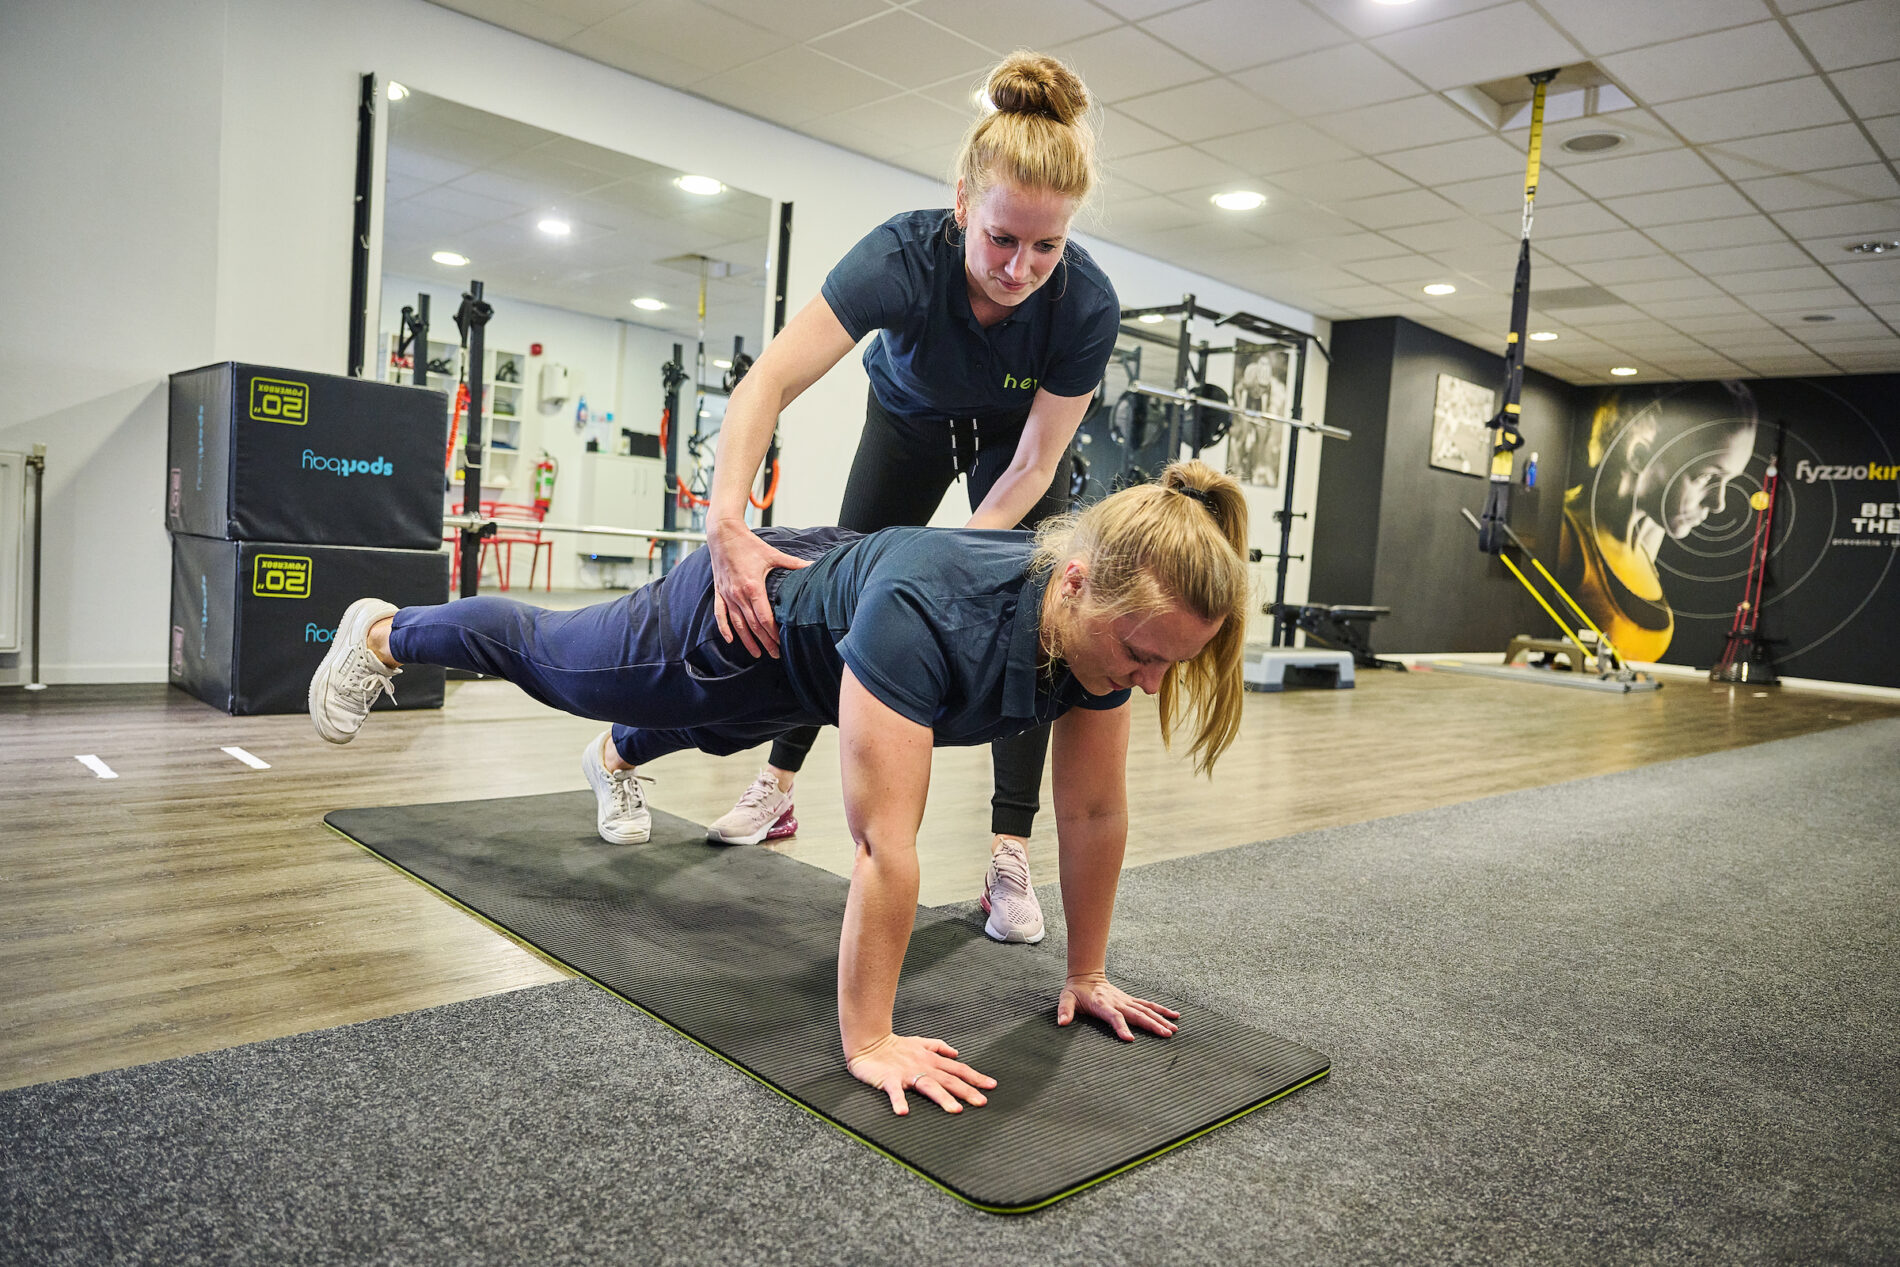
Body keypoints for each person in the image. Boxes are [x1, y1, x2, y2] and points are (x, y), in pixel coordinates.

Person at [309, 462, 1249, 1117]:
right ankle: (386, 631)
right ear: (1075, 584)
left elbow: (1092, 812)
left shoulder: (1101, 641)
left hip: (807, 665)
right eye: (1143, 654)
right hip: (732, 619)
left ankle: (617, 758)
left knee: (717, 725)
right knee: (556, 660)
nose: (1151, 683)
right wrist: (870, 1040)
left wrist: (1087, 975)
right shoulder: (928, 613)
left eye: (1170, 663)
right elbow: (884, 844)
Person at [699, 50, 1121, 949]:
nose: (1020, 267)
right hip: (908, 421)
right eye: (1001, 238)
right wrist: (725, 518)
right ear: (962, 202)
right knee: (835, 596)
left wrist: (955, 563)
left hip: (1014, 445)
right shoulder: (899, 255)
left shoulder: (1085, 305)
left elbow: (1035, 462)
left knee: (1033, 615)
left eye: (1046, 246)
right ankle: (778, 785)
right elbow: (770, 380)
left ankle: (1009, 850)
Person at [1558, 383, 1758, 661]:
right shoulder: (1566, 537)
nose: (1718, 503)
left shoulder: (1646, 539)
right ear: (1639, 456)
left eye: (1728, 481)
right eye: (1706, 477)